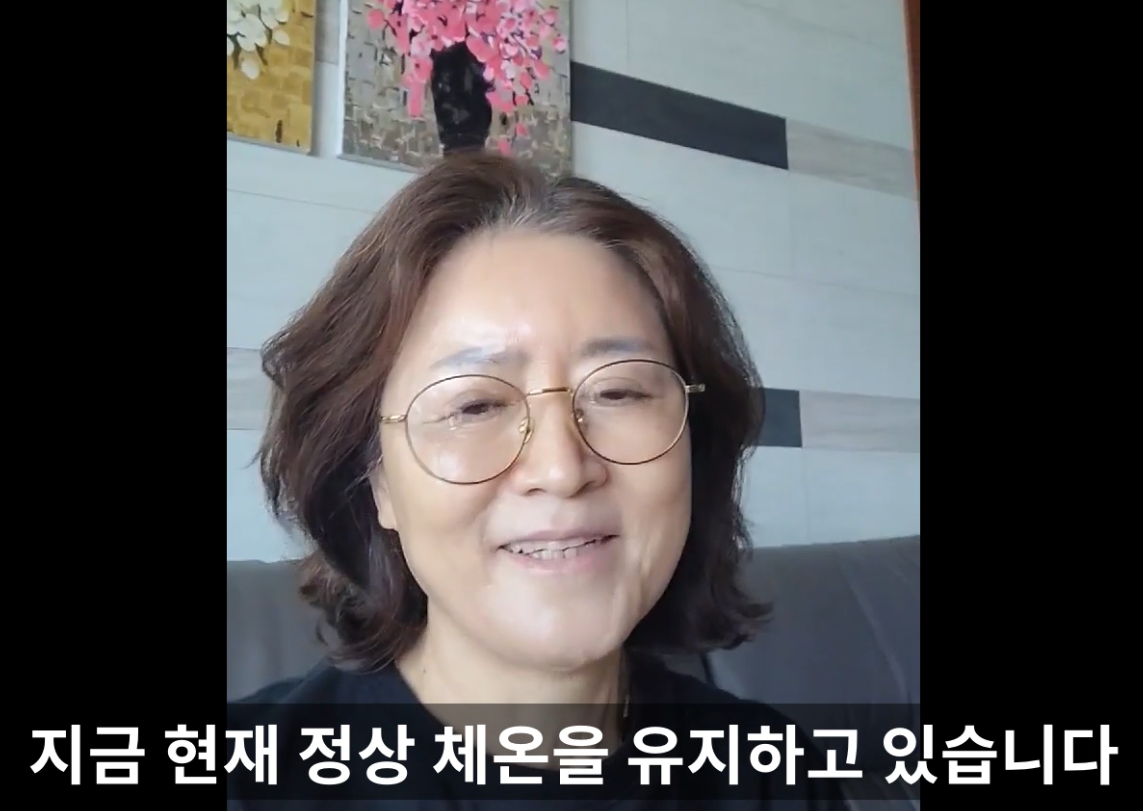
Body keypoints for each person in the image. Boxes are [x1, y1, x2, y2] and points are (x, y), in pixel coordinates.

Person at [228, 152, 847, 810]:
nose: (561, 468)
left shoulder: (773, 775)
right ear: (376, 480)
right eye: (475, 405)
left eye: (619, 392)